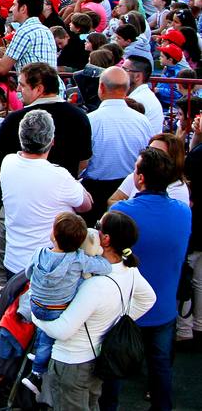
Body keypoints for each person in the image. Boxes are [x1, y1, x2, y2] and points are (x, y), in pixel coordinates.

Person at [32, 211, 155, 411]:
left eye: (98, 224)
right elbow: (149, 298)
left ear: (105, 239)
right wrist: (113, 323)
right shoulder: (129, 269)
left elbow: (62, 331)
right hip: (97, 359)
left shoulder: (95, 285)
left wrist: (35, 315)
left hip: (71, 363)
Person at [106, 147, 191, 410]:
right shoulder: (183, 211)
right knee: (160, 367)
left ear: (140, 178)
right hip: (163, 307)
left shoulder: (121, 212)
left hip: (123, 308)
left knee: (112, 371)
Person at [19, 211, 114, 396]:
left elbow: (28, 273)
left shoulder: (39, 252)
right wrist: (97, 255)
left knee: (41, 329)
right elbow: (106, 267)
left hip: (35, 304)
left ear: (53, 235)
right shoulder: (78, 259)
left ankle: (36, 355)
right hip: (57, 310)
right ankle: (37, 374)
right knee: (48, 338)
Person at [0, 110, 94, 285]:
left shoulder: (8, 162)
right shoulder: (59, 176)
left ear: (21, 137)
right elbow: (86, 205)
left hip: (14, 261)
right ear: (52, 142)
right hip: (47, 267)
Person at [82, 66, 155, 218]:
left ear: (101, 87)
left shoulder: (91, 121)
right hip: (131, 190)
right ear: (127, 89)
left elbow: (83, 163)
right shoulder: (142, 121)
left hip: (98, 192)